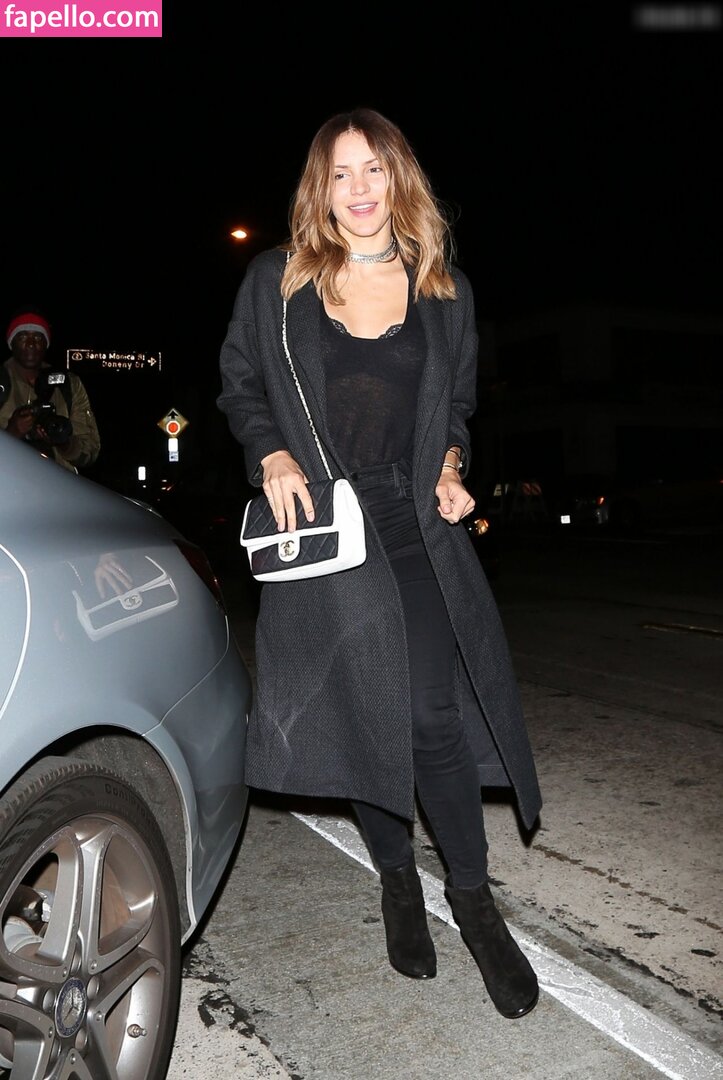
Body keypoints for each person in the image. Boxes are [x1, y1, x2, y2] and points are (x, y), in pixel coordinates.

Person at [217, 108, 542, 1019]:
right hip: (328, 524)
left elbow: (455, 409)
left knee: (431, 713)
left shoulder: (445, 291)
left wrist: (449, 468)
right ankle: (398, 880)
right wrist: (271, 454)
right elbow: (241, 384)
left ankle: (473, 906)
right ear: (318, 189)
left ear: (399, 180)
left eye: (373, 170)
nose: (358, 189)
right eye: (340, 173)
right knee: (368, 710)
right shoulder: (277, 280)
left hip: (409, 521)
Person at [0, 307, 100, 474]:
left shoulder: (69, 384)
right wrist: (12, 433)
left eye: (38, 337)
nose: (31, 344)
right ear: (11, 342)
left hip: (56, 485)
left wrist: (64, 442)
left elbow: (90, 451)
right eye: (23, 336)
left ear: (46, 343)